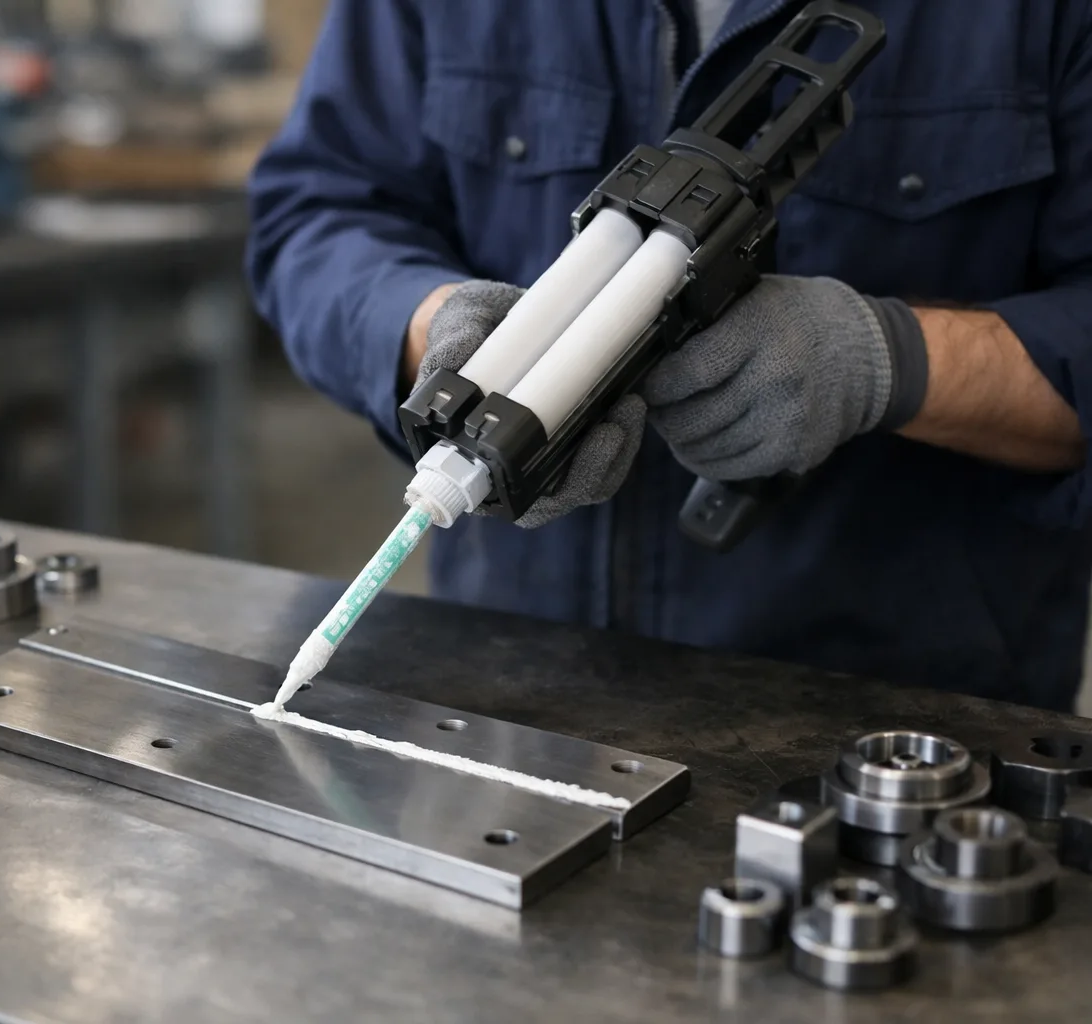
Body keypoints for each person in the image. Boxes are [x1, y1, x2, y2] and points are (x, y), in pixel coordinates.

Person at [246, 0, 1092, 711]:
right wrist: (434, 330)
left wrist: (889, 362)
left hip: (899, 734)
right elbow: (318, 211)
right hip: (511, 687)